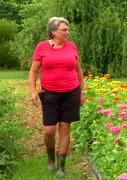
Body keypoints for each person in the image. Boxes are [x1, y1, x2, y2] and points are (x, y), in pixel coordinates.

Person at [28, 17, 85, 177]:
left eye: (68, 29)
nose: (68, 32)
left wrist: (82, 91)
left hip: (71, 92)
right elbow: (33, 72)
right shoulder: (41, 47)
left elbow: (79, 71)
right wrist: (33, 91)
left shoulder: (71, 47)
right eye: (64, 30)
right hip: (49, 93)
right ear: (54, 32)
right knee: (49, 130)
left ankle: (61, 165)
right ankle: (50, 156)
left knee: (65, 127)